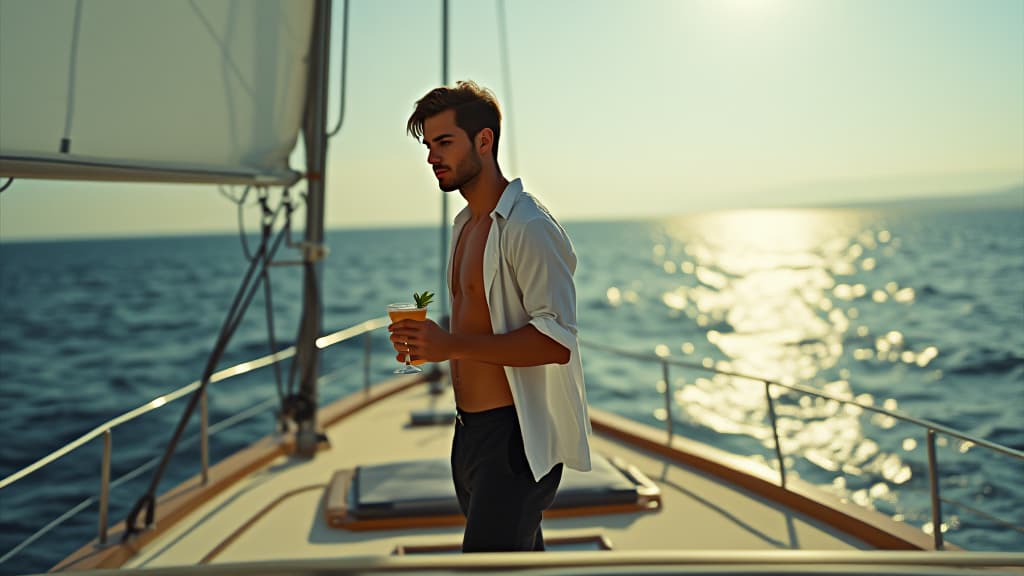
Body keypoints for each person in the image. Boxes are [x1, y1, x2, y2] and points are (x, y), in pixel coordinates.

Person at [389, 80, 591, 552]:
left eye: (444, 143)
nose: (432, 157)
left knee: (483, 565)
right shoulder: (465, 226)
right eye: (429, 145)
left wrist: (450, 345)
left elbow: (556, 342)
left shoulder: (529, 226)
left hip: (516, 443)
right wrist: (426, 344)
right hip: (469, 434)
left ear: (484, 141)